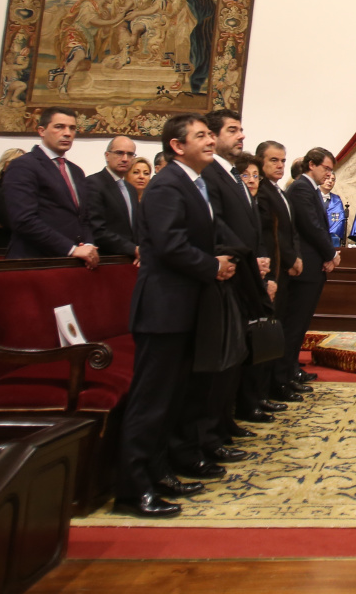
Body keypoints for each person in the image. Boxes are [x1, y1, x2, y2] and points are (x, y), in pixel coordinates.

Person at [113, 114, 238, 518]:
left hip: (186, 307)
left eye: (208, 134)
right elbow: (169, 245)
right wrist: (211, 266)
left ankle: (159, 471)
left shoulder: (194, 182)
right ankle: (133, 489)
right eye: (200, 135)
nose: (209, 140)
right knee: (151, 401)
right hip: (163, 310)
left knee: (173, 399)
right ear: (177, 146)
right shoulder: (167, 184)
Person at [187, 110, 273, 457]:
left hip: (244, 273)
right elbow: (216, 226)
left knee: (234, 357)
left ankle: (223, 425)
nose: (240, 136)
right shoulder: (209, 176)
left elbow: (251, 226)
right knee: (220, 361)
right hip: (227, 273)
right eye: (232, 131)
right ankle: (208, 436)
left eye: (241, 131)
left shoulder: (232, 176)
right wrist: (242, 257)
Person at [278, 147, 339, 400]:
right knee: (293, 324)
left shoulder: (309, 188)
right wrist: (330, 255)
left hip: (312, 265)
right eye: (325, 168)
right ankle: (284, 375)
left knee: (300, 324)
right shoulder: (301, 187)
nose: (328, 174)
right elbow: (311, 227)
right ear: (311, 164)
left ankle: (291, 370)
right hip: (305, 267)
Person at [245, 140, 300, 417]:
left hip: (279, 270)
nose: (279, 165)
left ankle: (266, 390)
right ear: (260, 162)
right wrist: (287, 262)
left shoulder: (278, 190)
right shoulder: (261, 193)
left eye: (282, 160)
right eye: (273, 161)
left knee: (275, 333)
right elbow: (271, 237)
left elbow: (289, 232)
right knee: (264, 335)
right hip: (270, 272)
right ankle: (257, 395)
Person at [4, 107, 97, 265]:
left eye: (72, 128)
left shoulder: (76, 171)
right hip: (34, 261)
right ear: (41, 131)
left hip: (71, 262)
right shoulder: (23, 166)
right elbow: (24, 220)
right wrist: (70, 249)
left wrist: (88, 244)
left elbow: (83, 217)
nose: (67, 133)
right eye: (59, 127)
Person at [84, 136, 141, 259]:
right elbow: (97, 229)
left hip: (132, 259)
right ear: (107, 155)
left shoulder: (131, 189)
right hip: (106, 260)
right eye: (119, 153)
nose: (125, 159)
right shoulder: (93, 183)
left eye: (130, 154)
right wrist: (132, 249)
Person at [322, 171, 348, 245]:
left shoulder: (337, 200)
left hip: (331, 237)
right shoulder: (312, 196)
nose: (330, 181)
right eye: (327, 178)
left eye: (333, 180)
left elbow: (339, 220)